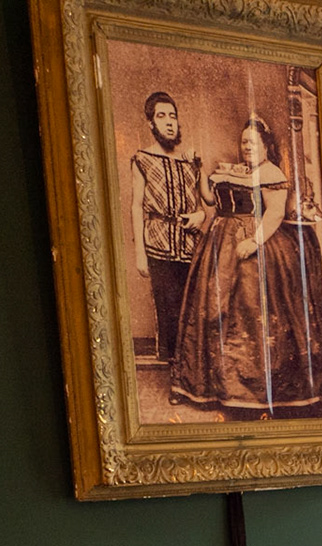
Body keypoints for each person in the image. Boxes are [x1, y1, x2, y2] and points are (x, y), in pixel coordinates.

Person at [169, 115, 322, 418]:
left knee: (252, 309)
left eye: (253, 142)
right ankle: (217, 387)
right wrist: (199, 169)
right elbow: (210, 200)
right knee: (214, 309)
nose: (247, 147)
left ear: (266, 146)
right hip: (220, 245)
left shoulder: (271, 173)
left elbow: (274, 214)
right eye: (244, 142)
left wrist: (253, 242)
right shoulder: (238, 171)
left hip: (258, 245)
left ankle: (256, 390)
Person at [129, 92, 205, 365]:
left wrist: (200, 216)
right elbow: (136, 206)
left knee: (193, 312)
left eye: (173, 116)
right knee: (168, 314)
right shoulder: (142, 159)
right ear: (151, 123)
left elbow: (203, 203)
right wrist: (140, 254)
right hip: (158, 246)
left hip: (190, 246)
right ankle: (172, 375)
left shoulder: (189, 159)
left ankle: (192, 375)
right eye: (161, 116)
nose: (169, 122)